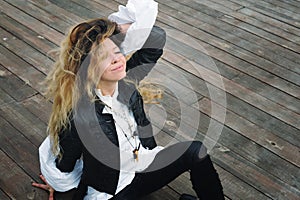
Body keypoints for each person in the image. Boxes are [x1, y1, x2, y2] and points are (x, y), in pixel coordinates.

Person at [32, 1, 225, 200]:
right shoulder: (79, 115)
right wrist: (59, 186)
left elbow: (156, 39)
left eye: (117, 51)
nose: (117, 59)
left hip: (144, 166)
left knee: (196, 151)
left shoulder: (127, 82)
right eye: (103, 57)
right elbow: (66, 164)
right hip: (114, 191)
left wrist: (119, 30)